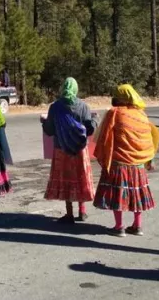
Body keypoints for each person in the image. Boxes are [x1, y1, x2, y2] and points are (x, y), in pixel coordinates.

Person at [93, 84, 159, 237]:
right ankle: (137, 226)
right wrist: (149, 158)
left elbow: (103, 136)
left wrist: (103, 156)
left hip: (119, 163)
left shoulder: (114, 113)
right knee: (136, 194)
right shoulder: (141, 115)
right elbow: (150, 137)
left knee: (118, 194)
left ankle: (119, 227)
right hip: (138, 164)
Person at [42, 77, 96, 224]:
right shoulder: (83, 106)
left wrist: (43, 122)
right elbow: (89, 129)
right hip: (79, 150)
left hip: (62, 149)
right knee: (79, 178)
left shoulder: (55, 107)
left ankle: (69, 214)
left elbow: (50, 130)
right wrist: (94, 120)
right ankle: (82, 211)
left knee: (65, 180)